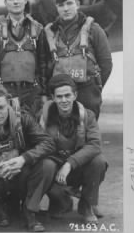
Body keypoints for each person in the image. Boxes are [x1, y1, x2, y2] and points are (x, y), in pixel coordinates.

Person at [0, 83, 56, 232]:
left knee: (48, 165)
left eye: (1, 107)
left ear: (8, 104)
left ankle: (29, 211)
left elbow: (48, 142)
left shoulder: (24, 119)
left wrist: (23, 159)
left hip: (20, 176)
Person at [39, 74, 107, 224]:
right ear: (53, 97)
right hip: (55, 170)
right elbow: (37, 146)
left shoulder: (87, 115)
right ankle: (60, 201)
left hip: (76, 168)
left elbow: (95, 144)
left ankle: (86, 204)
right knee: (44, 165)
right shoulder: (44, 117)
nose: (64, 100)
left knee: (99, 161)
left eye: (67, 95)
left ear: (75, 95)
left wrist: (69, 163)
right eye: (59, 96)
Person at [44, 0, 112, 118]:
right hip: (60, 98)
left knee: (88, 134)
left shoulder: (94, 30)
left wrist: (95, 88)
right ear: (56, 8)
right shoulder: (49, 33)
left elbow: (106, 64)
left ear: (78, 4)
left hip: (87, 94)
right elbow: (44, 66)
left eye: (69, 3)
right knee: (61, 136)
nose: (66, 8)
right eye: (61, 5)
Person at [0, 0, 49, 115]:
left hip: (32, 93)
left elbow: (43, 63)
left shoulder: (38, 29)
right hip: (5, 92)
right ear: (5, 3)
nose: (15, 1)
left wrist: (43, 93)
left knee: (32, 130)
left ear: (25, 0)